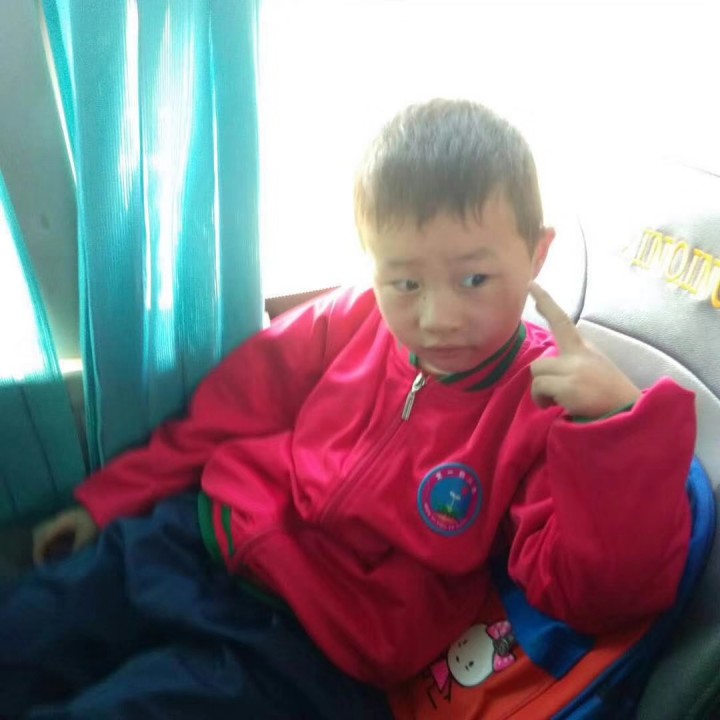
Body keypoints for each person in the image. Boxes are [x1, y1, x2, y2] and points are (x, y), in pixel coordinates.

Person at [0, 99, 695, 720]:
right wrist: (112, 499)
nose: (437, 318)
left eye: (475, 278)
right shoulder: (351, 314)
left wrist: (611, 429)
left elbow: (593, 596)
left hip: (315, 650)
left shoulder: (540, 402)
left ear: (537, 253)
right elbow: (229, 411)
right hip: (208, 536)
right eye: (405, 282)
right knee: (29, 628)